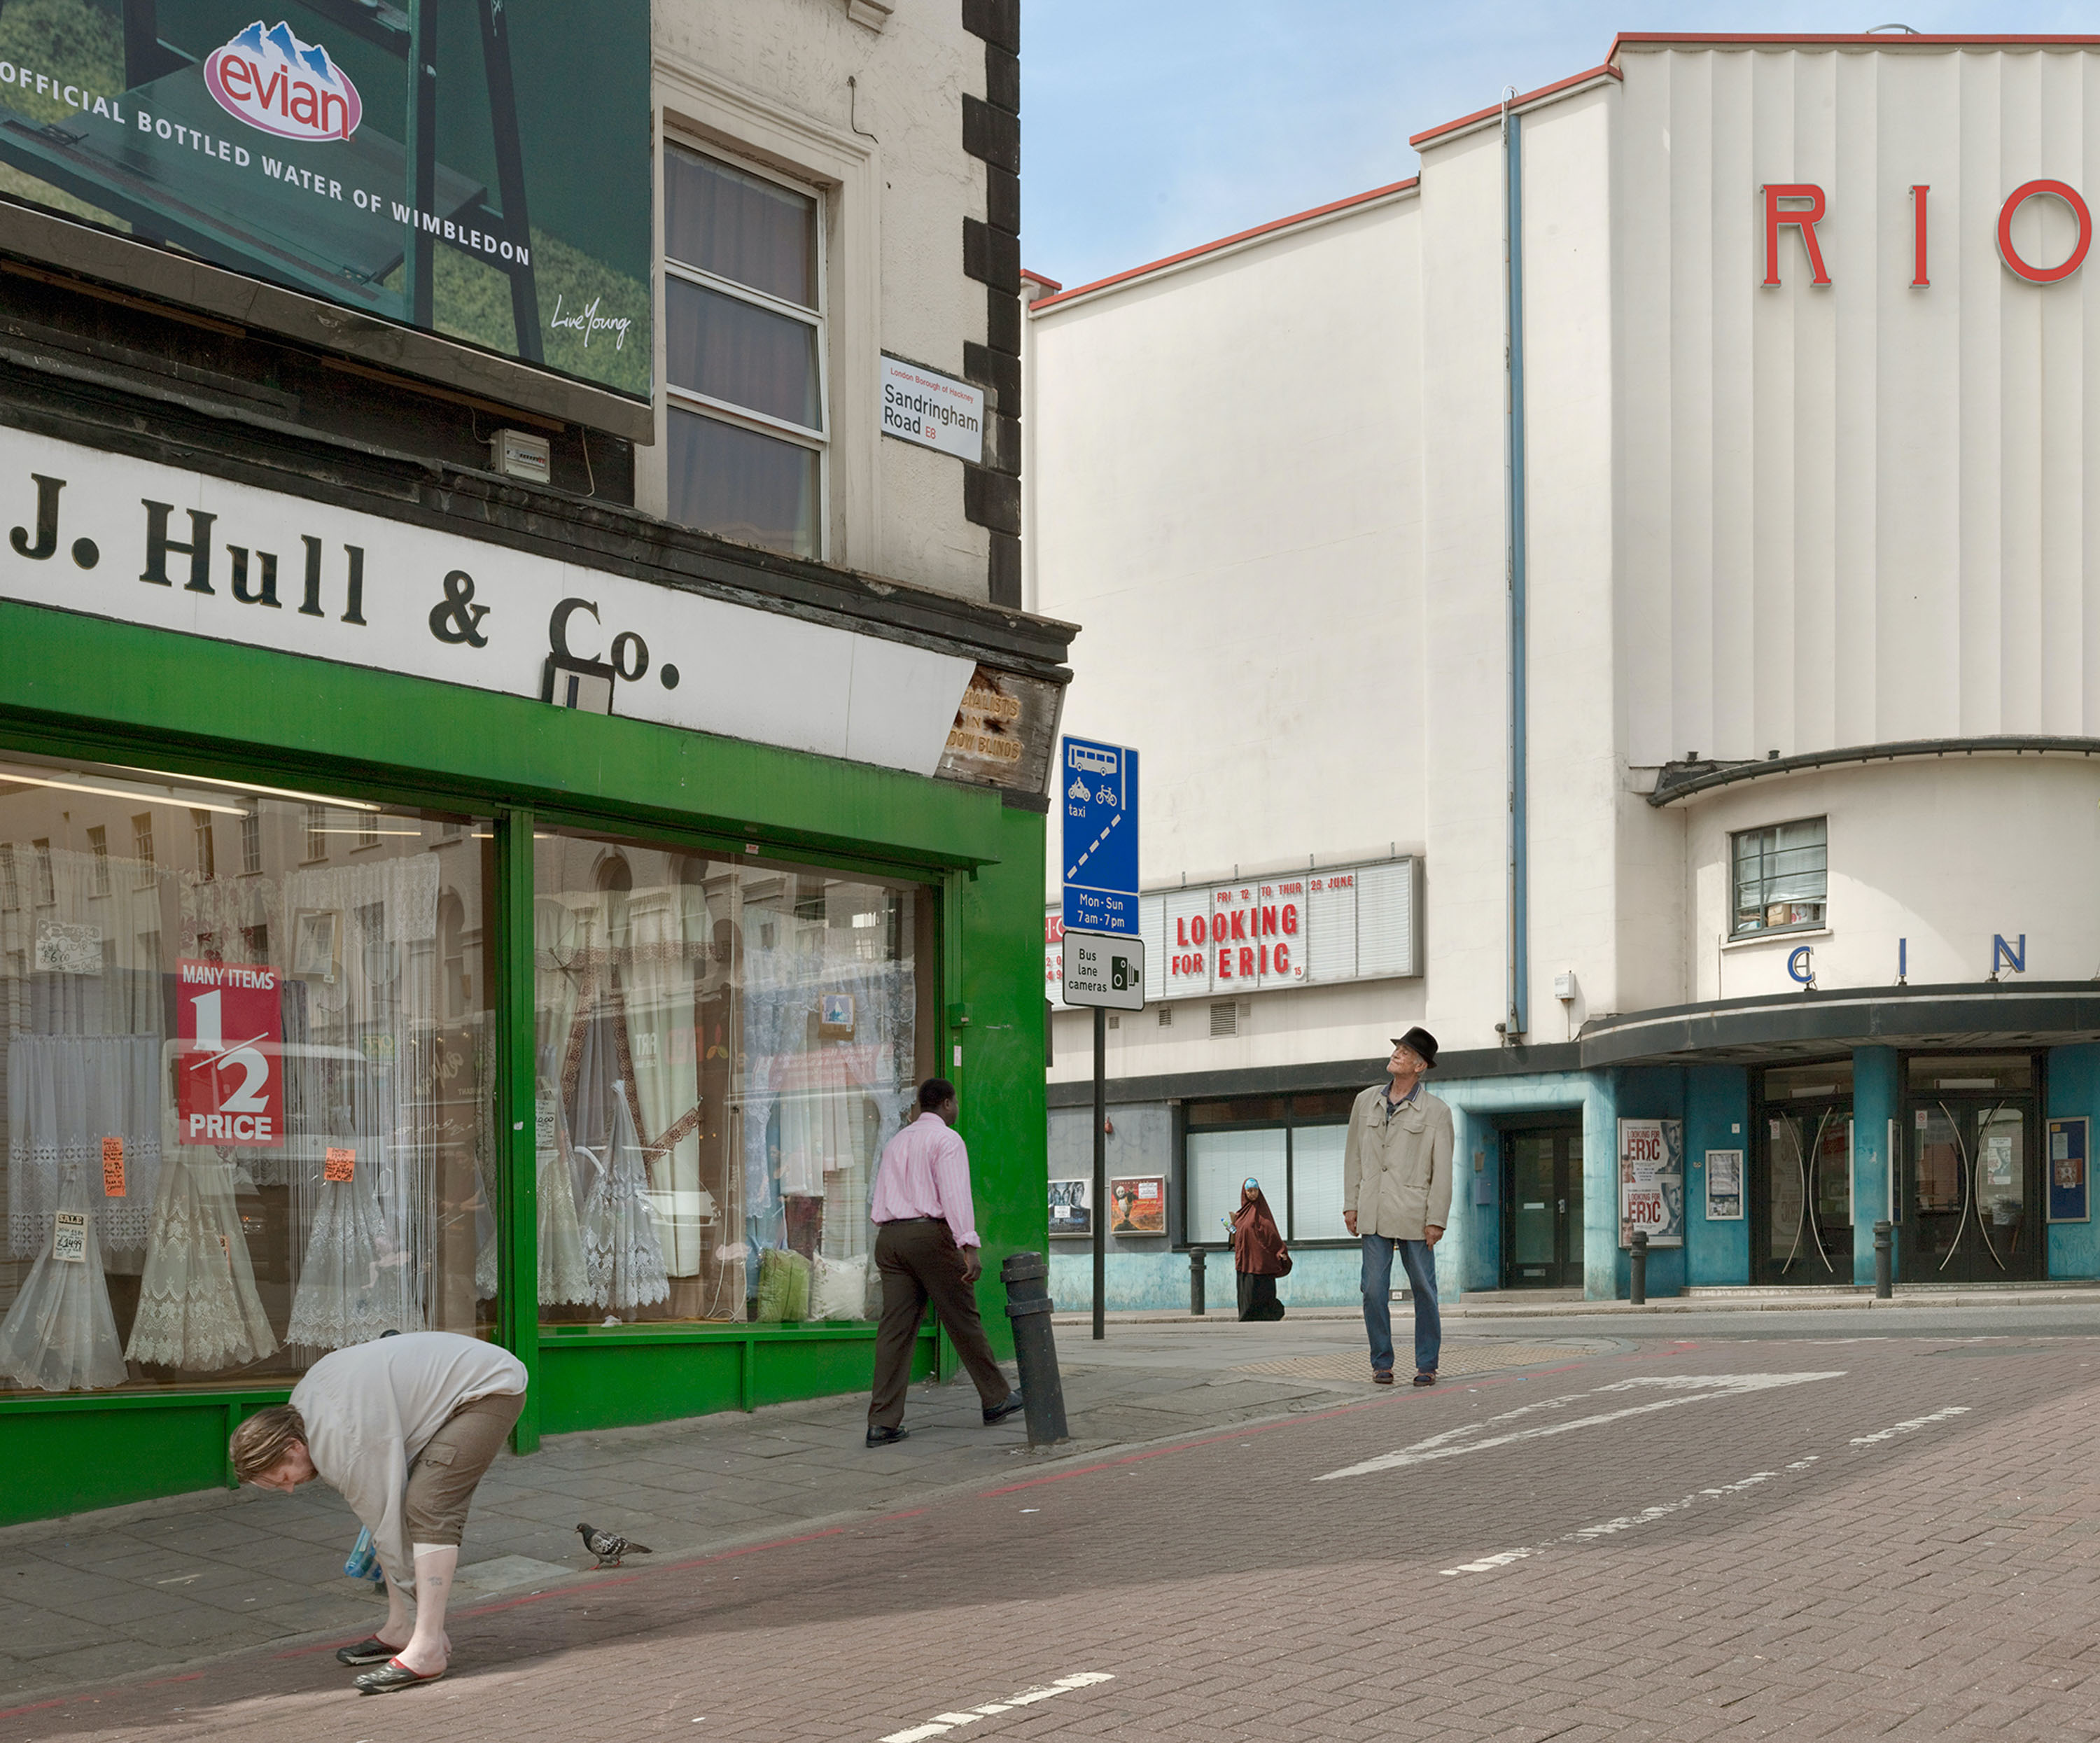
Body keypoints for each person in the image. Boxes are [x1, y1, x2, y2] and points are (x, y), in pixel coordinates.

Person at [227, 1330, 528, 1694]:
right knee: (395, 1509)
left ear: (292, 1445)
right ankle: (402, 1629)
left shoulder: (343, 1447)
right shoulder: (302, 1409)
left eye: (284, 1478)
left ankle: (429, 1647)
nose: (290, 1489)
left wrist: (424, 1614)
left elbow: (389, 1529)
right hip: (462, 1373)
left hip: (488, 1390)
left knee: (428, 1506)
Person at [865, 1077, 1024, 1446]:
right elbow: (955, 1195)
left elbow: (882, 1194)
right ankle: (997, 1399)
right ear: (949, 1104)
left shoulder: (896, 1141)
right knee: (961, 1317)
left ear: (922, 1104)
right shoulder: (947, 1140)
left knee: (895, 1331)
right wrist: (968, 1244)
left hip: (890, 1239)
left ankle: (882, 1423)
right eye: (956, 1103)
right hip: (928, 1235)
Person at [1343, 1026, 1453, 1387]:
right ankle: (1382, 1362)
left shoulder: (1437, 1112)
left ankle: (1426, 1364)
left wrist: (1436, 1219)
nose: (1396, 1055)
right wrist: (1351, 1204)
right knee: (1373, 1289)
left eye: (1405, 1052)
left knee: (1424, 1290)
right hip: (1373, 1210)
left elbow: (1443, 1171)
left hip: (1415, 1214)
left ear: (1420, 1066)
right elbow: (1353, 1157)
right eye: (1397, 1050)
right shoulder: (1365, 1101)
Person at [1227, 1177, 1289, 1320]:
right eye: (1249, 1191)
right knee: (1248, 1291)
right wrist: (1231, 1229)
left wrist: (1280, 1251)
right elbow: (1238, 1234)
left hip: (1263, 1262)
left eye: (1255, 1190)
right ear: (1245, 1193)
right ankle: (1247, 1316)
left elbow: (1271, 1232)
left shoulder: (1263, 1212)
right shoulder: (1240, 1215)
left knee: (1264, 1290)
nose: (1252, 1194)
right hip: (1246, 1261)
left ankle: (1267, 1315)